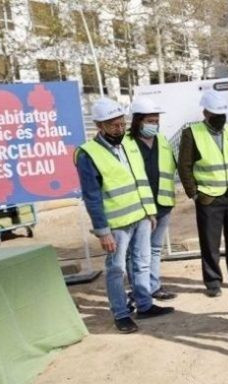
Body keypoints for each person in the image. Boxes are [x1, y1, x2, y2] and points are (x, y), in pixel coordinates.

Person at [75, 98, 174, 333]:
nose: (119, 129)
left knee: (141, 263)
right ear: (100, 126)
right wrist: (103, 232)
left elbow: (141, 181)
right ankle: (120, 314)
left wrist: (149, 212)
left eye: (121, 124)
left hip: (140, 217)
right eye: (113, 125)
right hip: (116, 225)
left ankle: (145, 304)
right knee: (116, 270)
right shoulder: (87, 154)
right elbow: (92, 197)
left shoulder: (128, 146)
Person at [178, 91, 228, 297]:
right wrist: (194, 194)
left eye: (223, 113)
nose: (220, 118)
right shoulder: (192, 133)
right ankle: (213, 282)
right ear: (206, 113)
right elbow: (184, 166)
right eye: (216, 114)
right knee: (210, 242)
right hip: (209, 197)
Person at [123, 97, 177, 301]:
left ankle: (154, 287)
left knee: (155, 248)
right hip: (138, 205)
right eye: (150, 121)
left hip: (162, 202)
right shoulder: (126, 143)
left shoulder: (162, 140)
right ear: (138, 120)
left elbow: (170, 167)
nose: (154, 124)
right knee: (136, 252)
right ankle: (139, 290)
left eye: (156, 120)